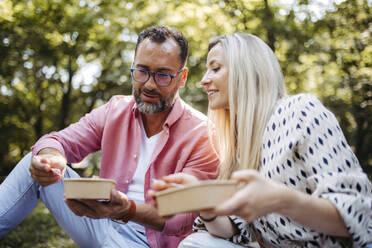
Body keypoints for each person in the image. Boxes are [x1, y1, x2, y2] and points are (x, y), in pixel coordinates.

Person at [0, 26, 219, 248]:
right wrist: (52, 158)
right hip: (100, 223)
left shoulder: (202, 133)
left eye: (163, 75)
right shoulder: (115, 109)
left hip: (147, 242)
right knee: (35, 160)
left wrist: (127, 210)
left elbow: (185, 217)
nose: (150, 84)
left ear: (182, 77)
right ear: (133, 67)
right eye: (142, 71)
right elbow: (58, 141)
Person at [151, 33, 372, 247]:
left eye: (216, 68)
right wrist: (205, 203)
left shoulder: (301, 111)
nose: (204, 80)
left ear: (246, 69)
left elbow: (358, 217)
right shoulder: (240, 142)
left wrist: (281, 200)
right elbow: (234, 227)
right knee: (197, 242)